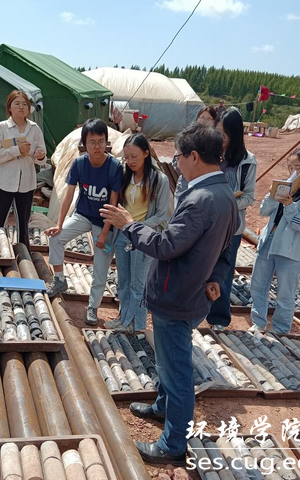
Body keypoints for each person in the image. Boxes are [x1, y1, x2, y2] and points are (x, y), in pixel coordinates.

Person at [100, 123, 239, 465]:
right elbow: (227, 249)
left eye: (178, 156)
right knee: (166, 359)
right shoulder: (223, 193)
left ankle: (173, 444)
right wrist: (216, 278)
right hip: (193, 291)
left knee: (177, 372)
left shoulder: (201, 199)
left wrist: (128, 224)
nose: (176, 163)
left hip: (176, 295)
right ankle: (163, 407)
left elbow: (165, 245)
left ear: (194, 157)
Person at [45, 118, 123, 326]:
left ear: (106, 142)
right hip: (82, 215)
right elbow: (68, 195)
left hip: (104, 221)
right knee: (56, 237)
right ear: (84, 144)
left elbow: (113, 203)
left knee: (101, 267)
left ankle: (93, 307)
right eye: (92, 142)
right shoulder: (79, 163)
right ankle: (59, 279)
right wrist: (59, 224)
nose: (97, 146)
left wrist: (105, 232)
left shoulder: (114, 167)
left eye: (101, 141)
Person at [250, 147, 300, 334]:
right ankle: (258, 322)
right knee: (258, 285)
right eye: (291, 167)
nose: (294, 172)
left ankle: (281, 329)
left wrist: (290, 206)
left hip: (291, 249)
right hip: (269, 240)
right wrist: (272, 196)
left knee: (285, 292)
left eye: (298, 167)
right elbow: (264, 211)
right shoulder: (286, 185)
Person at [104, 134, 169, 334]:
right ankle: (124, 318)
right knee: (123, 280)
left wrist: (136, 227)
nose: (130, 161)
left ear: (146, 154)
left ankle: (137, 323)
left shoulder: (159, 180)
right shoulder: (125, 175)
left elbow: (161, 215)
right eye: (127, 157)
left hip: (144, 237)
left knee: (138, 284)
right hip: (123, 235)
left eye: (134, 157)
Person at [207, 107, 257, 331]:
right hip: (207, 224)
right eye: (218, 132)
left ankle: (218, 318)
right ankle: (197, 312)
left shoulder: (247, 162)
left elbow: (249, 197)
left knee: (223, 274)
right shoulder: (209, 154)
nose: (221, 138)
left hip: (231, 228)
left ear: (236, 134)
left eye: (225, 134)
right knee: (201, 269)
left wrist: (225, 204)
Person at [0, 90, 46, 250]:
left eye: (24, 104)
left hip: (26, 183)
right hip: (4, 181)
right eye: (17, 104)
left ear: (28, 108)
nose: (21, 107)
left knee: (23, 223)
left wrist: (40, 155)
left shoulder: (34, 129)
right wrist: (17, 150)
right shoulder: (2, 128)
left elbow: (42, 157)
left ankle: (24, 253)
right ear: (9, 107)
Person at [174, 106, 217, 204]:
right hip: (184, 188)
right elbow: (176, 164)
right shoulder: (187, 138)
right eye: (202, 118)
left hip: (204, 191)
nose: (204, 121)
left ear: (214, 122)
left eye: (208, 119)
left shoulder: (215, 143)